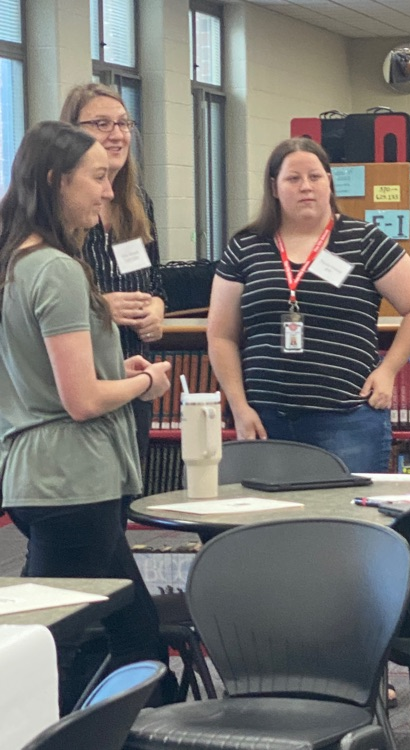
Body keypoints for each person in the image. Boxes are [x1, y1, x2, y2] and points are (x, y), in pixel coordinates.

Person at [0, 121, 175, 713]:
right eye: (98, 177)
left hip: (38, 475)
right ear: (57, 181)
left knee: (134, 629)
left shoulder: (14, 262)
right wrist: (145, 382)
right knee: (57, 644)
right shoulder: (57, 269)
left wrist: (112, 367)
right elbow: (81, 401)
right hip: (73, 480)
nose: (108, 190)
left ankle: (151, 725)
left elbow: (41, 375)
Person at [207, 137, 410, 473]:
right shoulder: (246, 247)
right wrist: (239, 407)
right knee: (267, 508)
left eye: (315, 177)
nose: (306, 186)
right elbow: (221, 335)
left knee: (346, 508)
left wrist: (388, 370)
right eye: (293, 178)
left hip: (347, 419)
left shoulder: (364, 240)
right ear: (273, 188)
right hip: (264, 418)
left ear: (329, 182)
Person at [60, 83, 166, 471]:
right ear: (72, 132)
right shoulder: (60, 209)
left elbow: (155, 282)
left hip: (134, 371)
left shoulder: (137, 203)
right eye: (102, 123)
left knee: (130, 484)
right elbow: (39, 297)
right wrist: (99, 307)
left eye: (123, 123)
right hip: (81, 378)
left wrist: (156, 309)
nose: (117, 134)